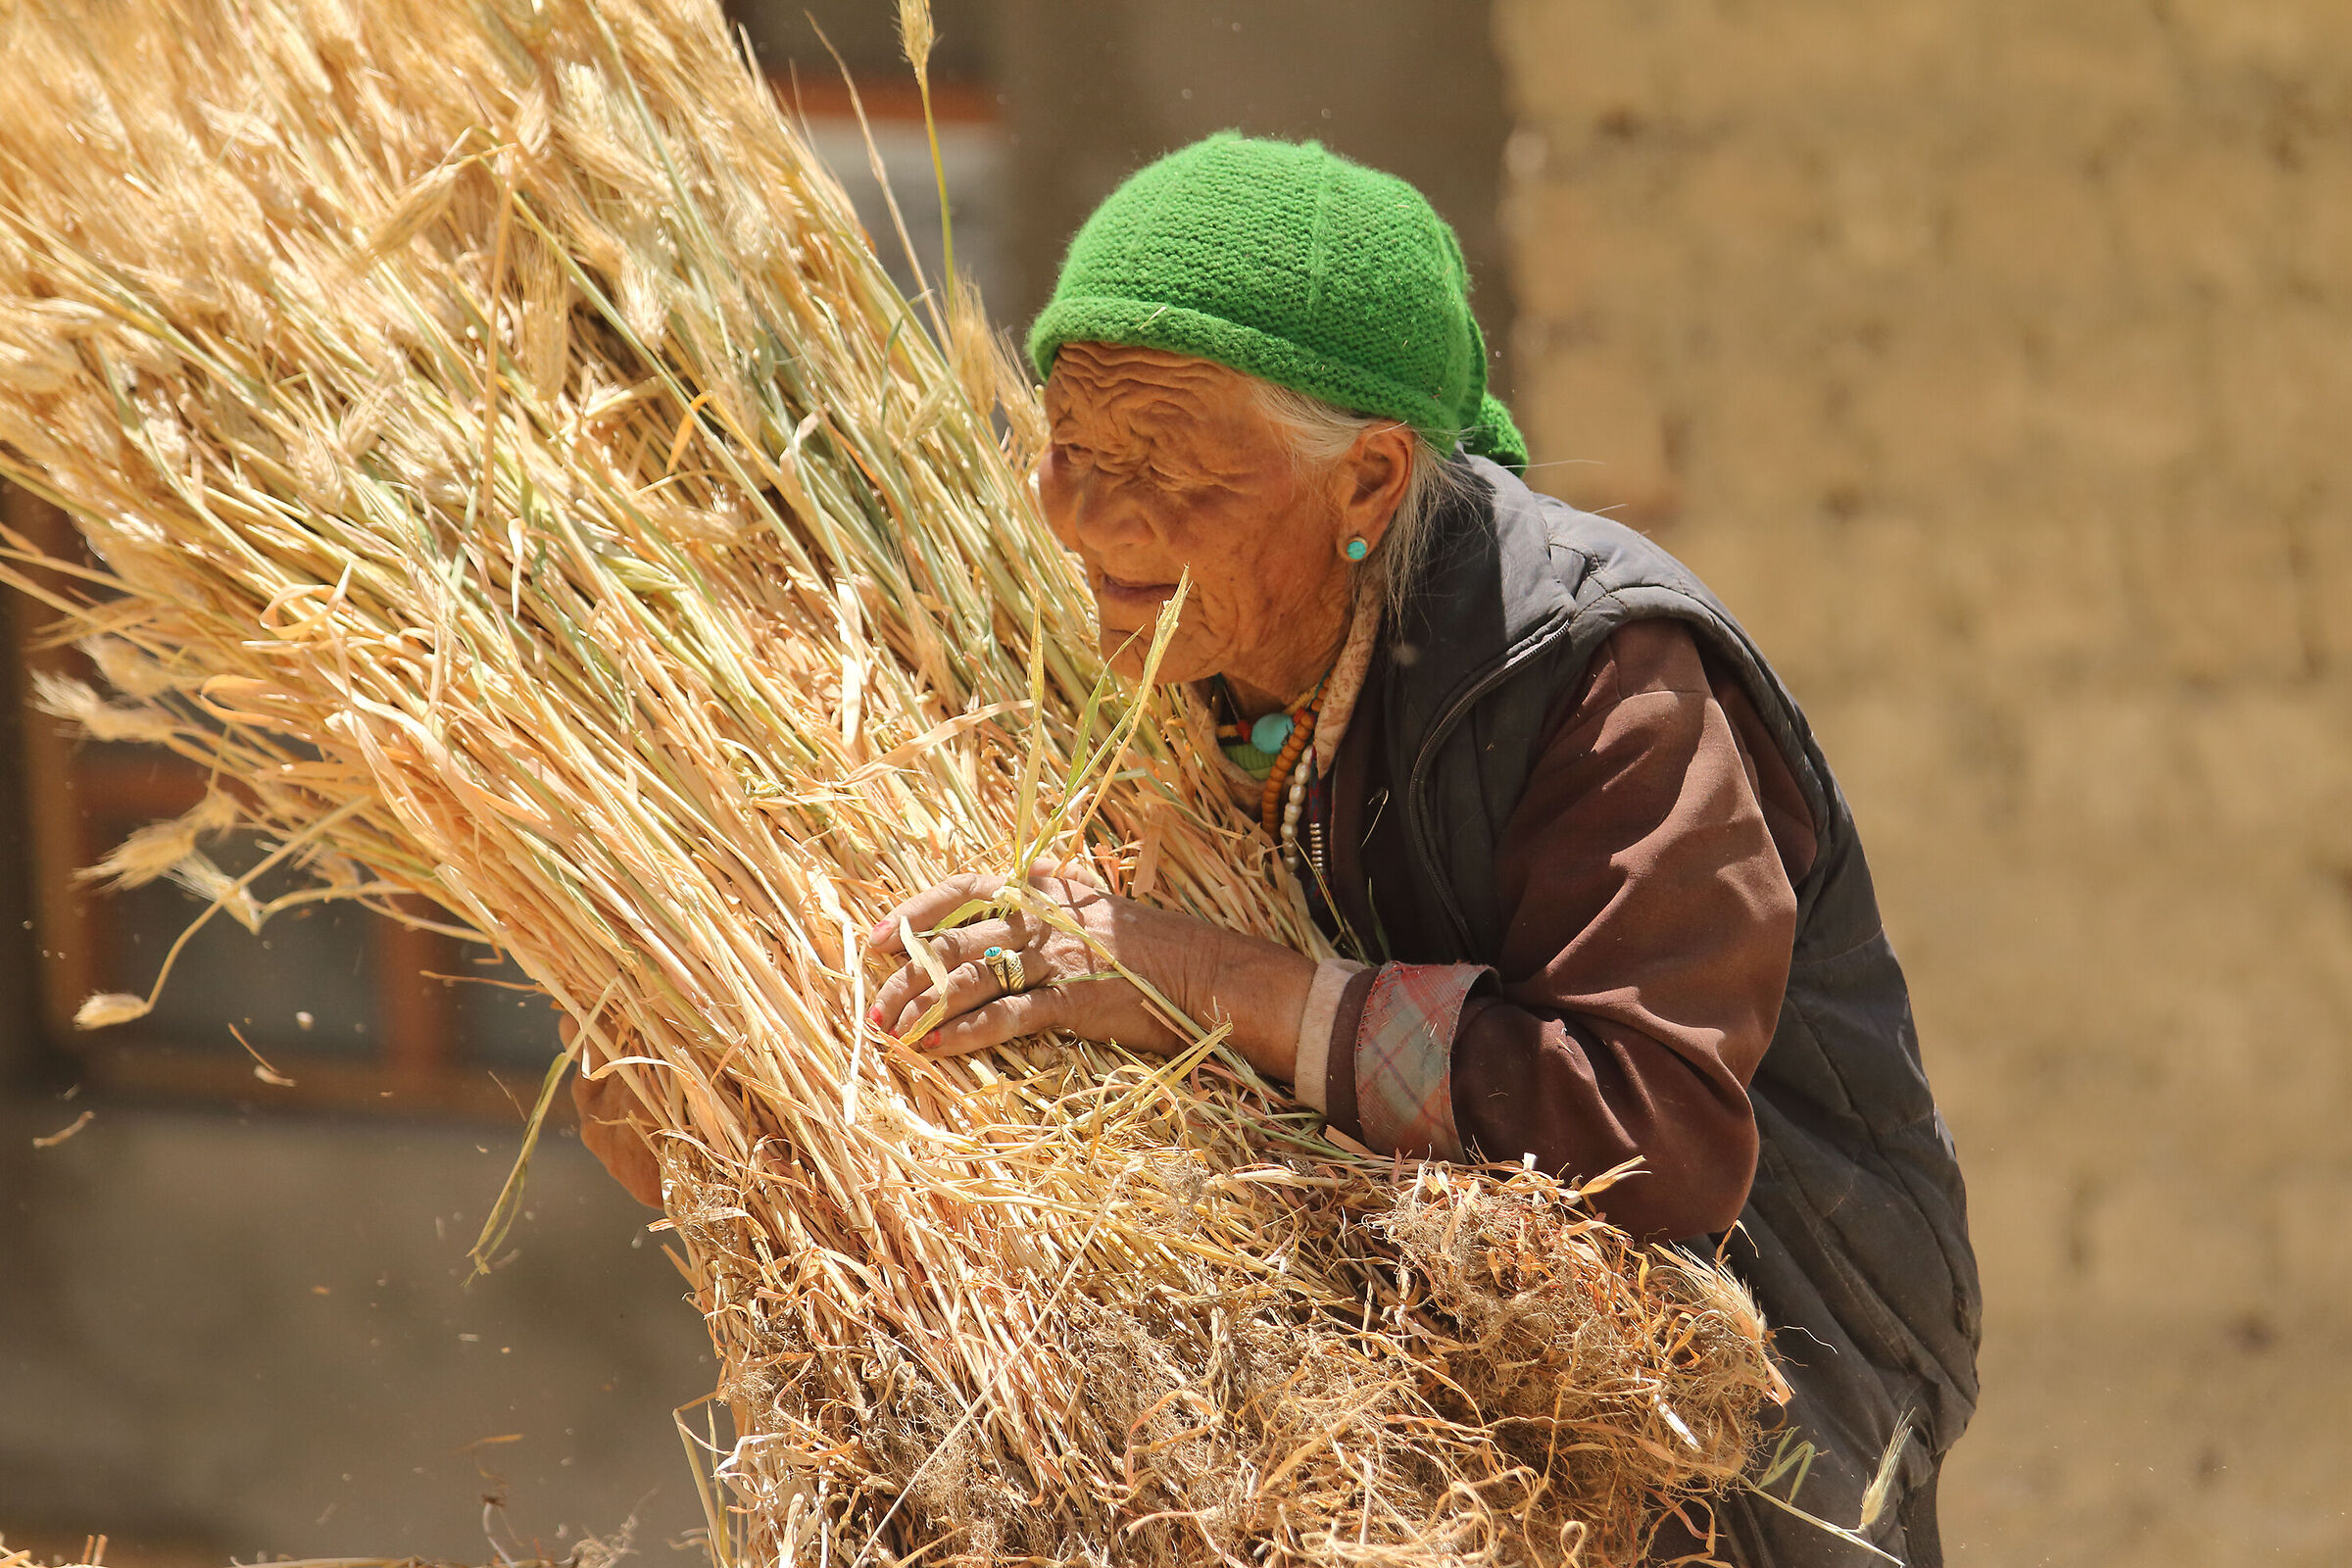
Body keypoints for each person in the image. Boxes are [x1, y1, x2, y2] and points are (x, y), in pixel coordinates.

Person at [575, 134, 1981, 1566]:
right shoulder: (1123, 649)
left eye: (1169, 471)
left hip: (1744, 1400)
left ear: (1369, 481)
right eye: (1070, 451)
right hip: (1368, 1418)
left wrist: (1207, 980)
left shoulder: (1595, 680)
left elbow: (1645, 1136)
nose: (1095, 521)